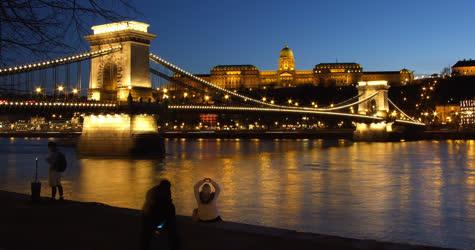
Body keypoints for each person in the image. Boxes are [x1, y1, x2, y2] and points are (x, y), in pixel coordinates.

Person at [140, 179, 180, 250]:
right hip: (155, 220)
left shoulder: (153, 191)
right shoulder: (163, 193)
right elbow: (166, 207)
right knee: (172, 229)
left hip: (149, 219)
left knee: (146, 236)